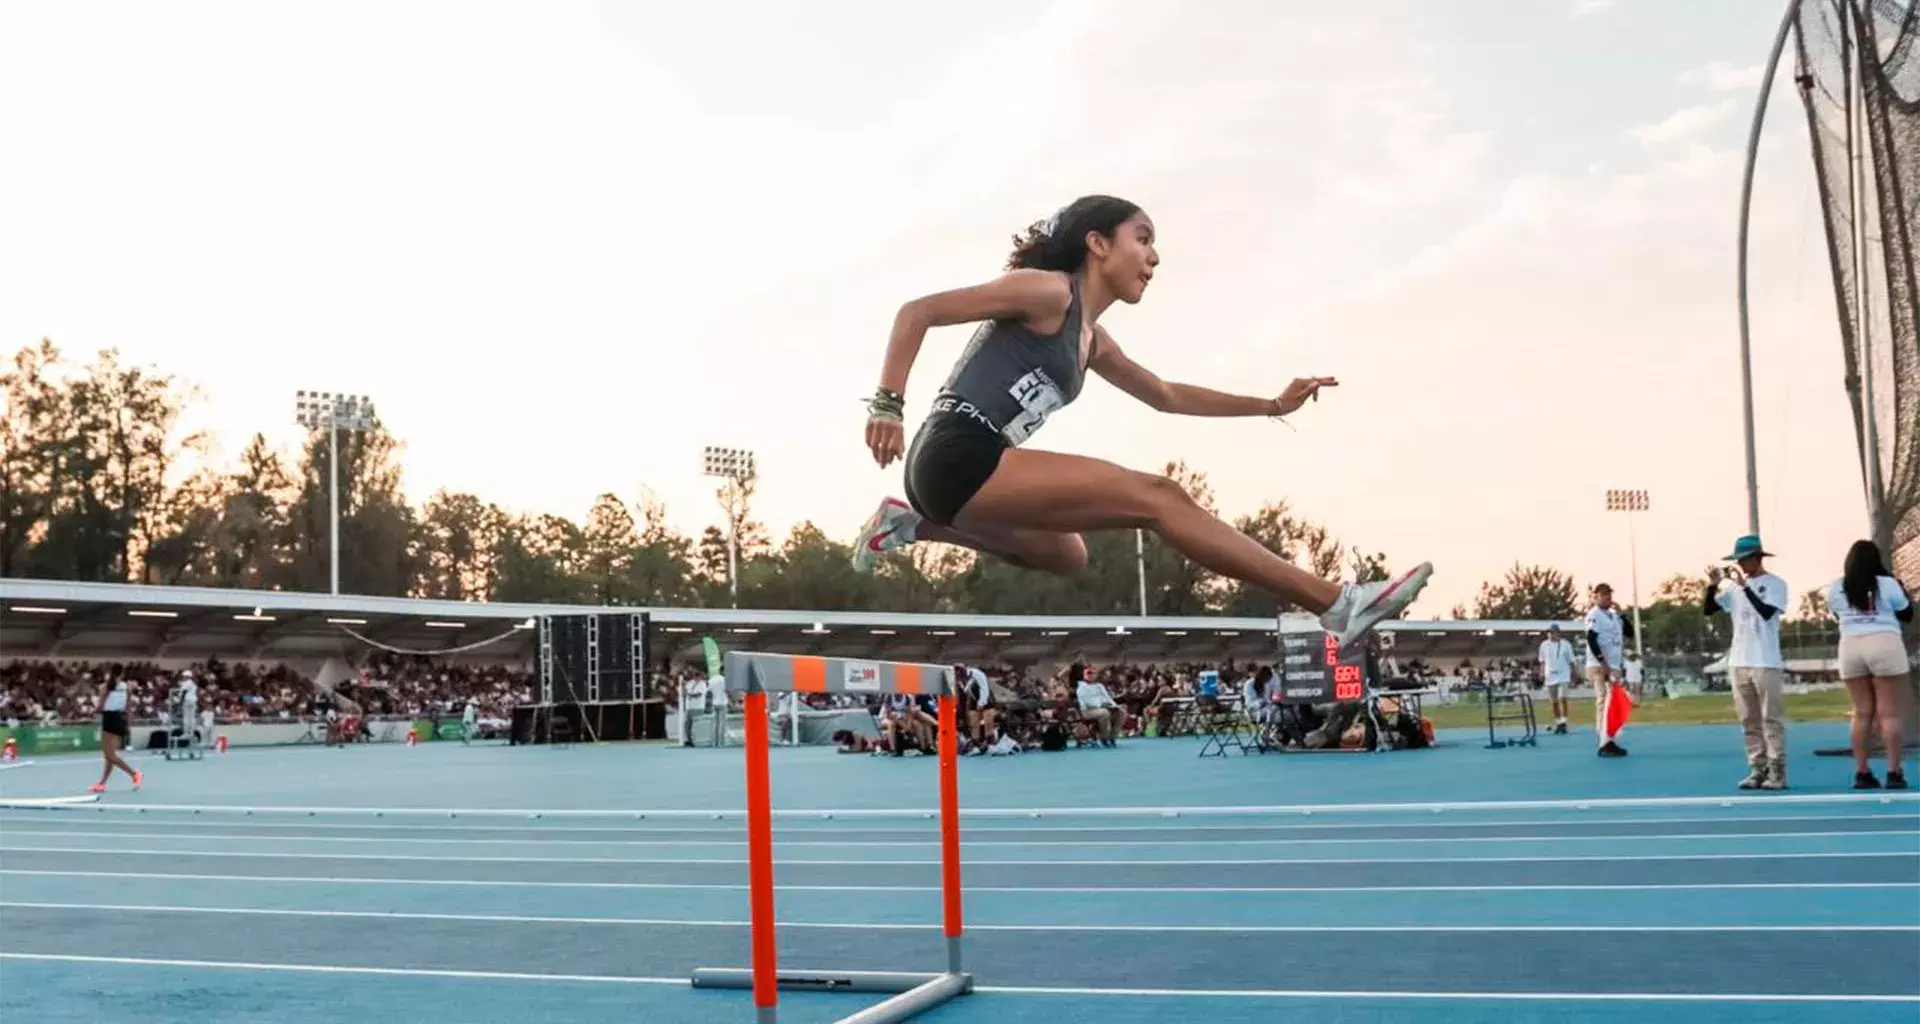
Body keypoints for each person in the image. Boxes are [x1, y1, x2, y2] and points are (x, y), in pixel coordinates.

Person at [849, 195, 1430, 650]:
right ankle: (1337, 604)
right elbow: (917, 312)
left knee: (1068, 556)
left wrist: (1272, 406)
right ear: (1097, 244)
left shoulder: (1092, 342)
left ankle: (914, 524)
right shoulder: (1048, 291)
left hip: (958, 479)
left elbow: (1167, 395)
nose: (1154, 258)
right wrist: (886, 405)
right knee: (1159, 497)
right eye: (1143, 239)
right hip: (957, 449)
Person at [1704, 534, 1789, 790]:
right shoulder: (1733, 590)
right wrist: (1712, 585)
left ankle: (1777, 770)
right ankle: (1757, 767)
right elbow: (1710, 609)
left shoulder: (1775, 584)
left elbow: (1766, 612)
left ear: (1756, 559)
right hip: (1740, 659)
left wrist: (1745, 586)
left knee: (1770, 718)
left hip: (1765, 660)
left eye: (1744, 560)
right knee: (1748, 720)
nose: (1741, 566)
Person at [1825, 540, 1910, 790]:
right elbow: (1906, 613)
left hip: (1851, 645)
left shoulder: (1837, 586)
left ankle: (1862, 772)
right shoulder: (1888, 584)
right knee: (1889, 713)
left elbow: (1837, 615)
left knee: (1861, 712)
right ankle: (1894, 772)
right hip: (1884, 641)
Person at [1584, 584, 1630, 757]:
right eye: (1603, 595)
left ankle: (1611, 737)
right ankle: (1604, 740)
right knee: (1603, 699)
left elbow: (1629, 632)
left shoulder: (1613, 616)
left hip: (1614, 664)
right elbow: (1591, 639)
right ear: (1595, 596)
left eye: (1609, 595)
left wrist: (1622, 615)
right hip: (1599, 663)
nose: (1607, 598)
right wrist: (1602, 662)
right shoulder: (1594, 614)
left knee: (1615, 701)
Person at [91, 676, 143, 794]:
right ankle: (102, 783)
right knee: (109, 755)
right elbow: (128, 706)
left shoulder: (108, 689)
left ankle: (134, 774)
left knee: (109, 755)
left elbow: (101, 707)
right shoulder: (123, 689)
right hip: (118, 719)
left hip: (111, 720)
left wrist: (93, 712)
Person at [1537, 624, 1576, 735]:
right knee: (1554, 701)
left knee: (1563, 697)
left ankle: (1564, 721)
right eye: (1548, 632)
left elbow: (1571, 660)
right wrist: (1541, 672)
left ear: (1558, 633)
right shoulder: (1544, 645)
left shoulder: (1565, 644)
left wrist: (1574, 672)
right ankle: (1558, 723)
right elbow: (1542, 661)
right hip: (1550, 675)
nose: (1550, 634)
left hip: (1563, 675)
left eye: (1552, 632)